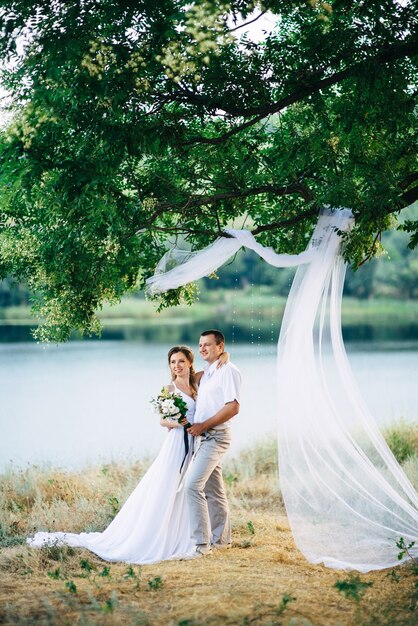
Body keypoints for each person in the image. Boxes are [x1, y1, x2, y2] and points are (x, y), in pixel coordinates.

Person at [27, 345, 226, 564]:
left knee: (192, 488)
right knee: (169, 486)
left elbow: (215, 368)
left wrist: (225, 354)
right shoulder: (168, 389)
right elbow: (162, 421)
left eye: (180, 361)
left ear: (189, 362)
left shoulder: (197, 382)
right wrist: (180, 423)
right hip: (178, 443)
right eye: (172, 362)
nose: (176, 366)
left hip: (198, 442)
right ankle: (160, 537)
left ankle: (192, 536)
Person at [185, 330, 241, 557]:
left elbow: (233, 406)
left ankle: (202, 545)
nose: (202, 349)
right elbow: (184, 377)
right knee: (214, 491)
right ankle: (222, 541)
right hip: (204, 437)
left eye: (208, 345)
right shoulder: (208, 373)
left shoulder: (228, 371)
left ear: (220, 346)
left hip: (216, 436)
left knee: (192, 486)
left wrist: (204, 425)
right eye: (200, 345)